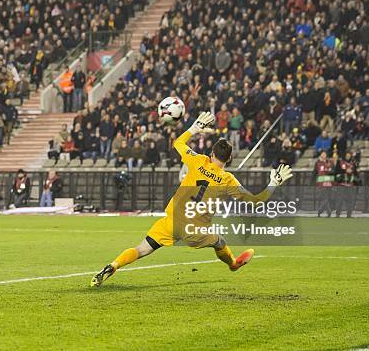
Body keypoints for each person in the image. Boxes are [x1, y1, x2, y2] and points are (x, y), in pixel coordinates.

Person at [91, 112, 293, 287]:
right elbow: (256, 200)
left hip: (172, 220)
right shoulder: (228, 179)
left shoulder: (197, 160)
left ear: (211, 153)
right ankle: (232, 264)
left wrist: (195, 128)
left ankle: (114, 265)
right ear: (229, 159)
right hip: (194, 230)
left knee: (142, 248)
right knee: (220, 242)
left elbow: (177, 143)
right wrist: (274, 183)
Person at [314, 150, 335, 217]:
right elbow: (315, 172)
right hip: (321, 182)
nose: (323, 155)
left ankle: (322, 211)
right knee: (325, 197)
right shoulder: (317, 163)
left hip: (329, 182)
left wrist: (329, 171)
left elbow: (334, 171)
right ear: (320, 155)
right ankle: (326, 211)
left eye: (324, 154)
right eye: (322, 154)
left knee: (328, 197)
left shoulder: (330, 162)